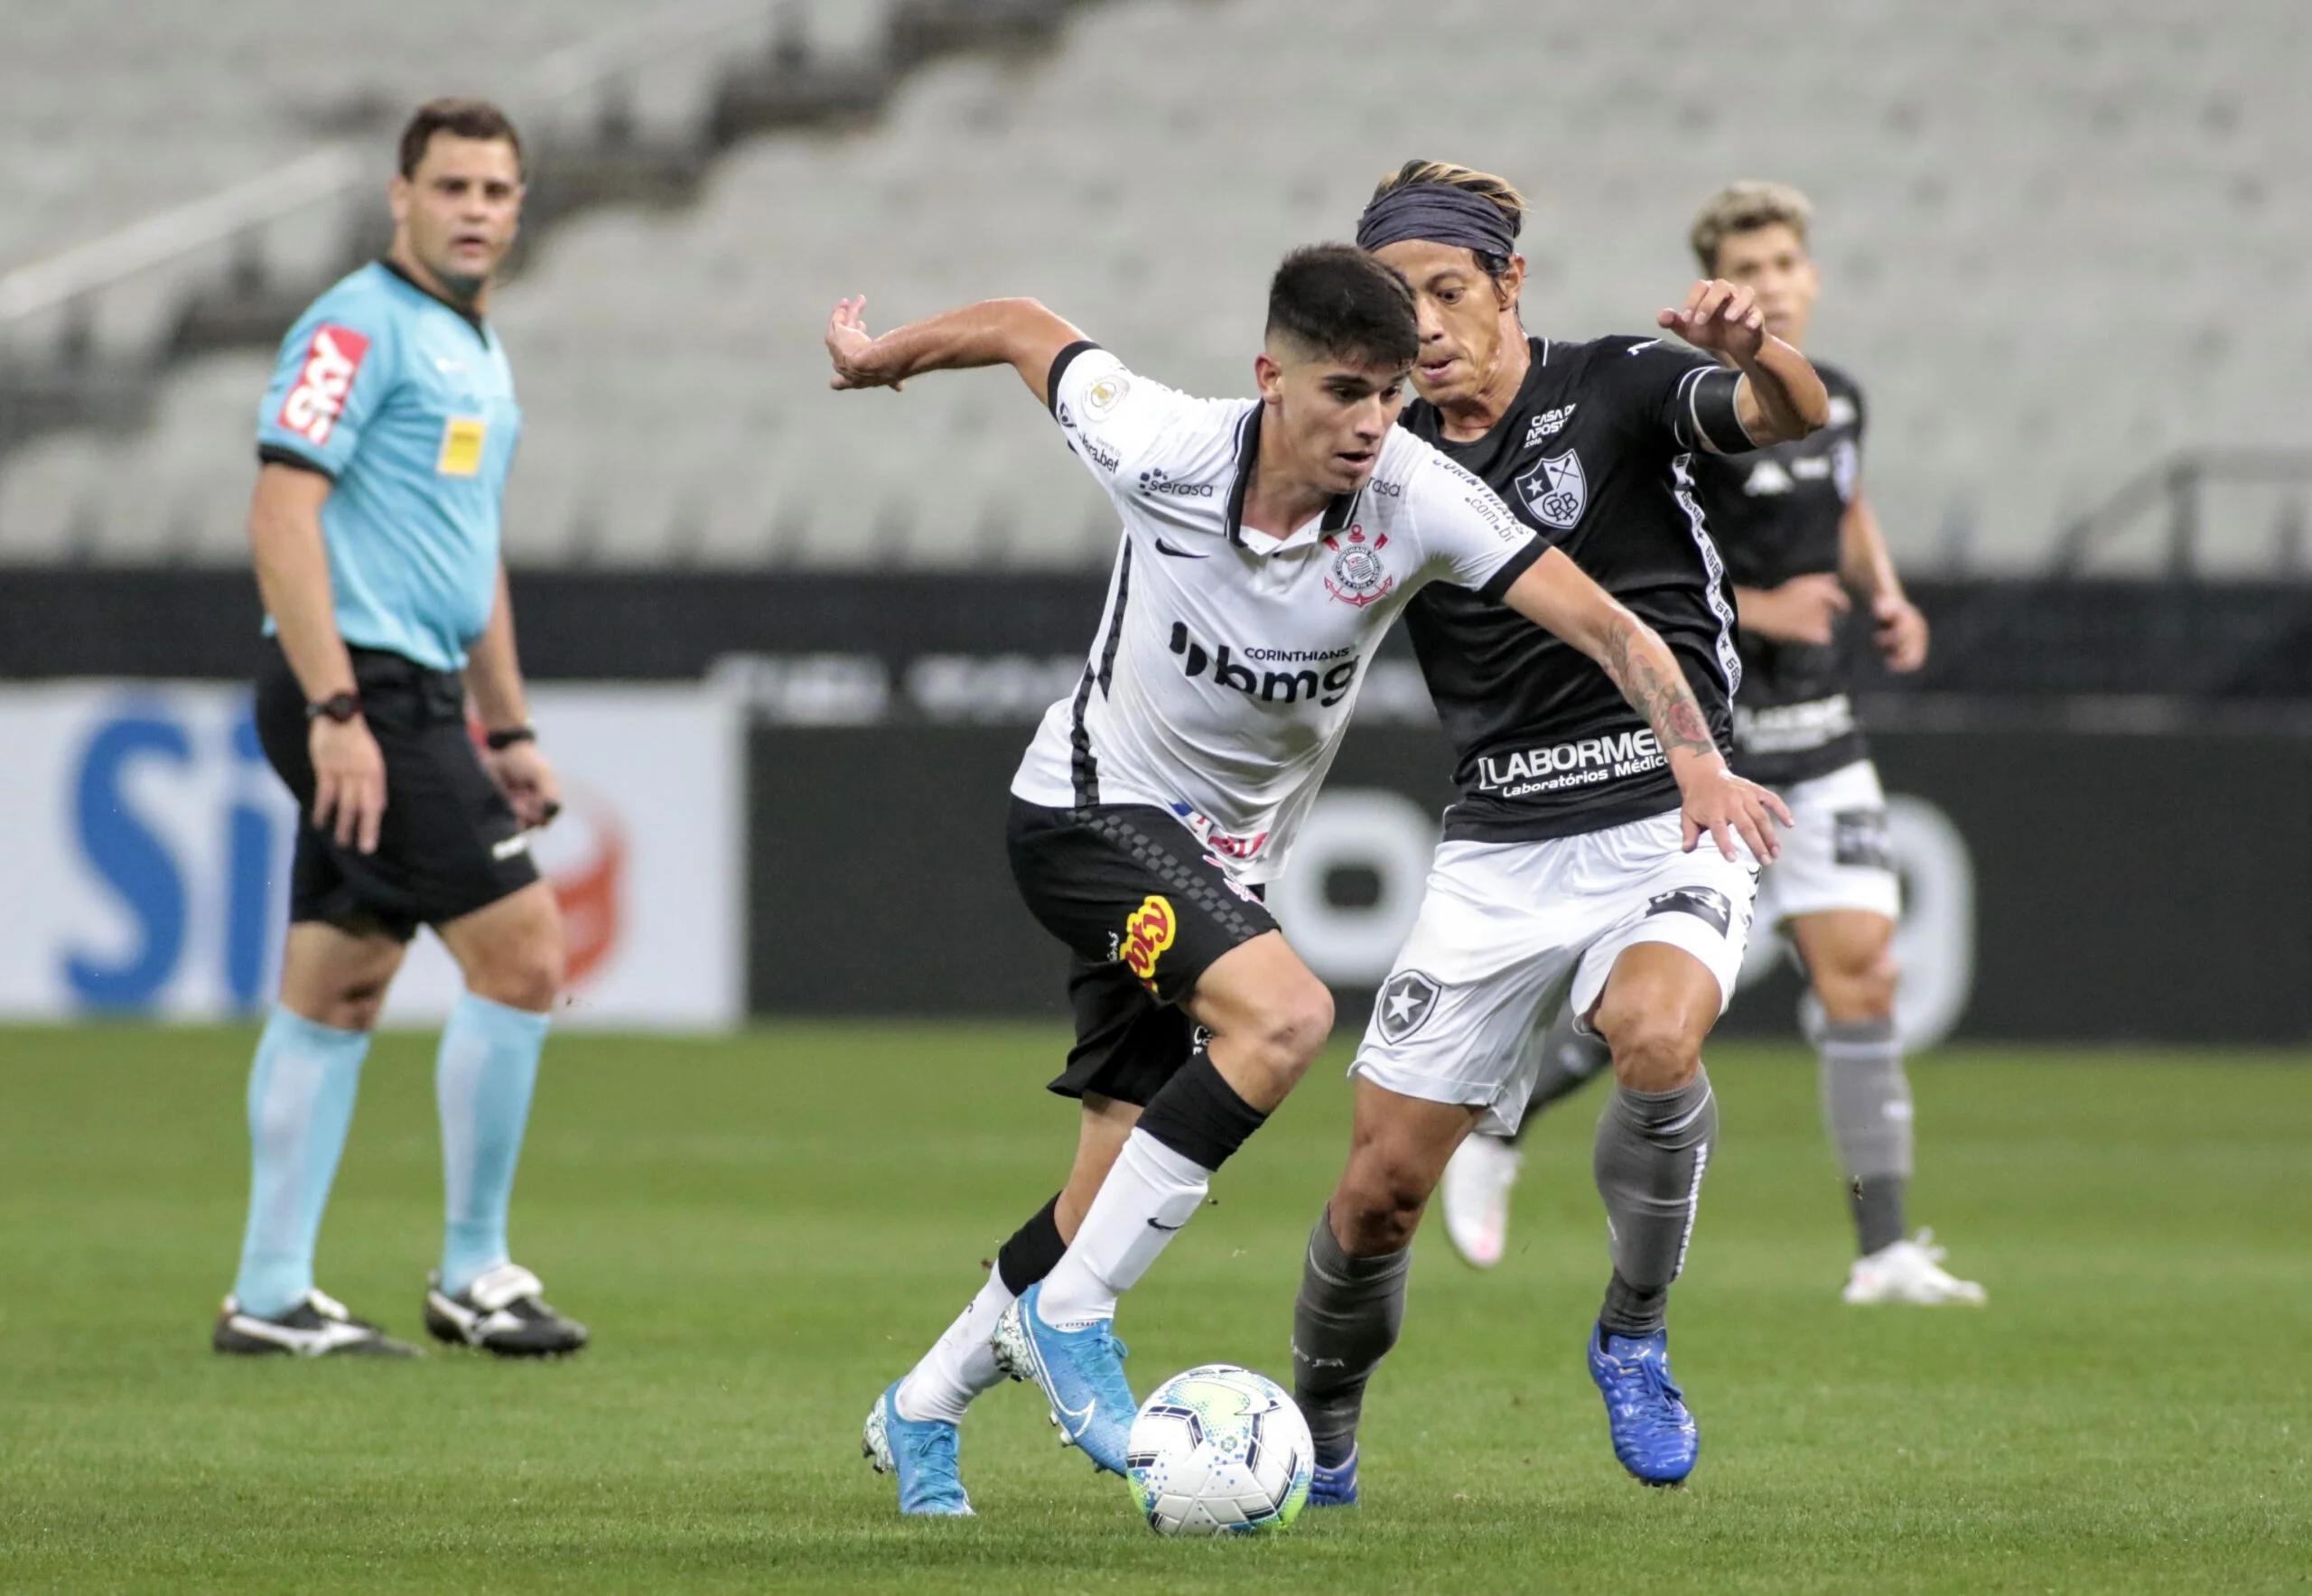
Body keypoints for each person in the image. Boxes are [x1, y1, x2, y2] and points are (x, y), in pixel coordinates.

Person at [821, 244, 1785, 1516]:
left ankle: (923, 1405)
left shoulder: (1419, 494)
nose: (1373, 423)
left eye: (1392, 394)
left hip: (1217, 865)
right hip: (1085, 810)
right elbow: (1018, 324)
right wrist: (878, 359)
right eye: (1345, 392)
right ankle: (1074, 1317)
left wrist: (1699, 761)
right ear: (1270, 377)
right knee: (1282, 1015)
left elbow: (1609, 621)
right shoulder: (1155, 440)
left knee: (1104, 1177)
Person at [1288, 162, 1826, 1499]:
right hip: (1495, 847)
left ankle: (1633, 1334)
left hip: (1671, 804)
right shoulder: (1380, 461)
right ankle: (1322, 1427)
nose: (1424, 327)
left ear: (1508, 282)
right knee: (1374, 1201)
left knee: (1654, 1033)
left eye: (1449, 292)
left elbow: (1781, 415)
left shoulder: (1622, 383)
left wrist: (1770, 357)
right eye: (1395, 304)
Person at [1437, 182, 1983, 1310]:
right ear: (1722, 273)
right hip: (1699, 746)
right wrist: (1759, 604)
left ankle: (1881, 1251)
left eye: (1787, 260)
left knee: (1861, 977)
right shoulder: (1693, 403)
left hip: (1823, 736)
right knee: (1651, 1017)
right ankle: (1498, 1125)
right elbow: (1636, 547)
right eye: (1753, 263)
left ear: (1810, 275)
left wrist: (1882, 591)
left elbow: (1844, 493)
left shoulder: (1841, 399)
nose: (1775, 279)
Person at [214, 98, 585, 1360]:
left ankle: (269, 1291)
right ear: (401, 196)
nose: (476, 208)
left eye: (496, 189)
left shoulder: (476, 348)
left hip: (417, 693)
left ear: (519, 205)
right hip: (355, 689)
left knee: (340, 978)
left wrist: (511, 725)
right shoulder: (355, 323)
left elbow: (471, 557)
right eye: (453, 187)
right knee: (525, 953)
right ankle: (475, 1270)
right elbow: (280, 509)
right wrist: (333, 708)